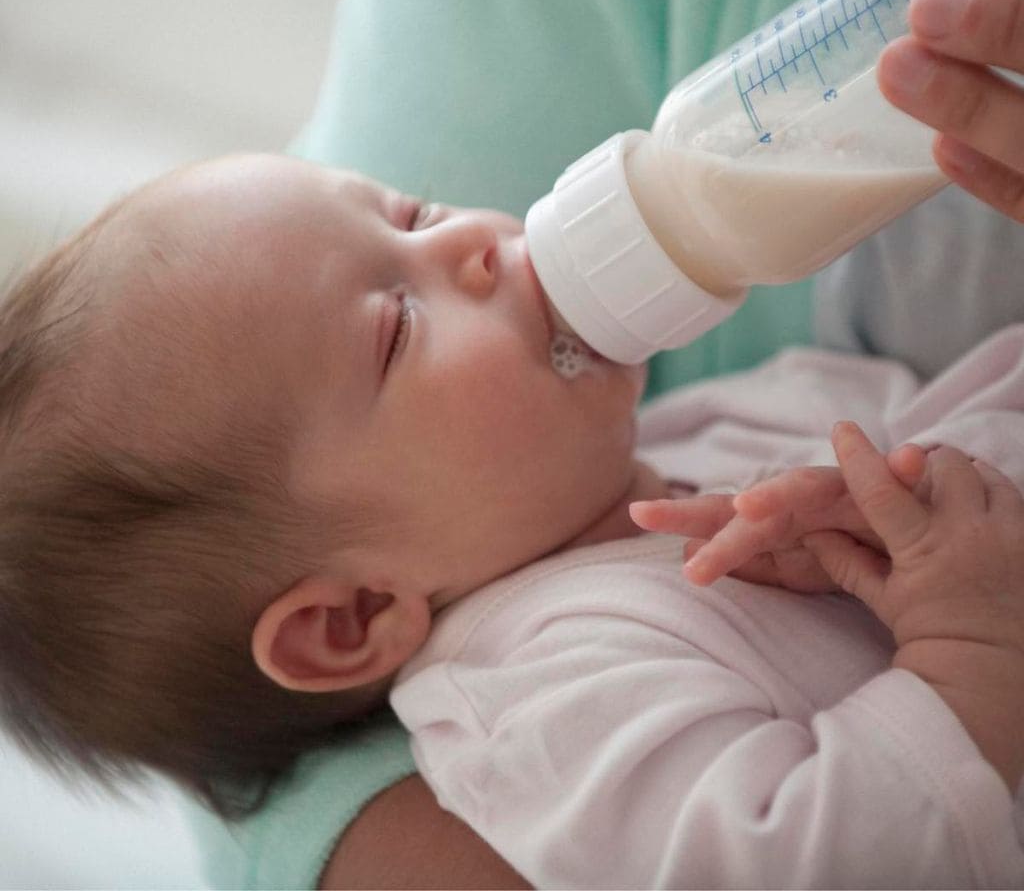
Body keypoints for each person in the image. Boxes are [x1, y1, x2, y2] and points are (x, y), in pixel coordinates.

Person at [0, 151, 1022, 887]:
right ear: (351, 615)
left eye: (413, 212)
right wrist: (973, 650)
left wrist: (924, 492)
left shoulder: (707, 427)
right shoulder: (539, 705)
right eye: (396, 329)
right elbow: (810, 863)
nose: (473, 245)